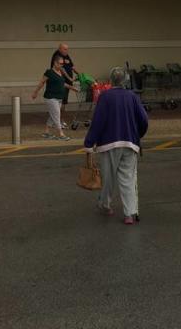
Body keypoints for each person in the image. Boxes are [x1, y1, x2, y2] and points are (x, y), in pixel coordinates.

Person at [83, 66, 149, 225]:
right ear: (125, 81)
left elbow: (98, 122)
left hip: (108, 143)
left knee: (108, 178)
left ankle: (105, 205)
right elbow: (143, 120)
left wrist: (89, 143)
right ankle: (129, 213)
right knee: (128, 178)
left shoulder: (105, 97)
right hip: (129, 142)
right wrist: (137, 135)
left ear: (111, 81)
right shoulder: (132, 97)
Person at [31, 56, 78, 141]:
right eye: (60, 63)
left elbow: (62, 84)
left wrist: (72, 88)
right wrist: (35, 92)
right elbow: (42, 82)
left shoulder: (60, 72)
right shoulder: (49, 72)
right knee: (56, 115)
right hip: (51, 98)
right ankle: (61, 134)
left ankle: (46, 132)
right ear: (55, 63)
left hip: (59, 98)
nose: (61, 65)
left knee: (53, 115)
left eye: (62, 64)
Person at [51, 43, 77, 126]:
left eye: (67, 49)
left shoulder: (66, 56)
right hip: (60, 82)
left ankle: (60, 120)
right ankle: (57, 121)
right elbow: (61, 69)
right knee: (59, 102)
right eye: (65, 49)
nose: (67, 51)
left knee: (64, 102)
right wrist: (69, 78)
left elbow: (72, 66)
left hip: (67, 82)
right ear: (60, 49)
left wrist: (80, 74)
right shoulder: (57, 55)